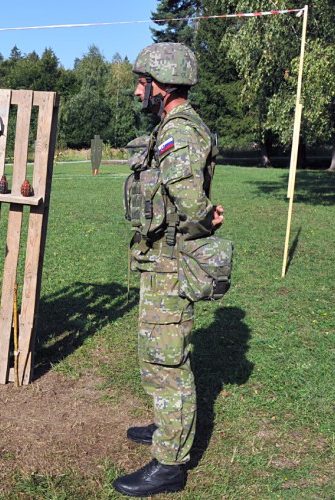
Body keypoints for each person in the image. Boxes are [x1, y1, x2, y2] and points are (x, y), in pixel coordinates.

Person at [112, 43, 225, 496]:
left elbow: (191, 202)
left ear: (162, 86)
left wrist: (203, 218)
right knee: (157, 354)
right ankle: (167, 424)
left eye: (143, 83)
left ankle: (170, 463)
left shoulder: (179, 131)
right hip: (161, 260)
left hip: (172, 264)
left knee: (167, 359)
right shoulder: (173, 126)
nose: (139, 91)